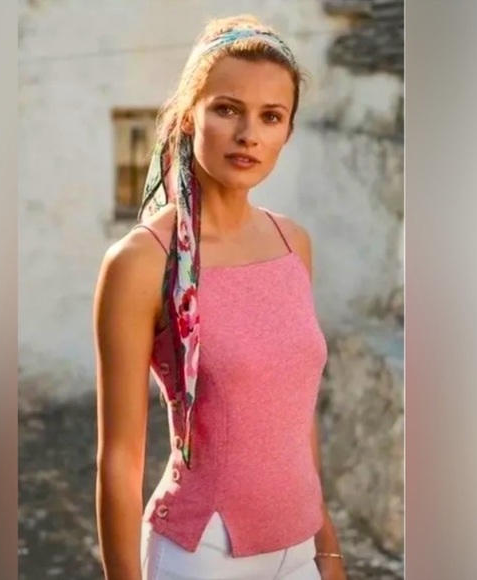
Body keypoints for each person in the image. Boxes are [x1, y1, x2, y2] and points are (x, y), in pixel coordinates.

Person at [93, 14, 348, 580]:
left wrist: (326, 546)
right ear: (190, 116)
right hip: (202, 554)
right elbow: (119, 460)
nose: (249, 134)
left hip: (300, 550)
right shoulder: (142, 260)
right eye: (228, 109)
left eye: (271, 116)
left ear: (287, 131)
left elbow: (294, 416)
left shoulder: (293, 243)